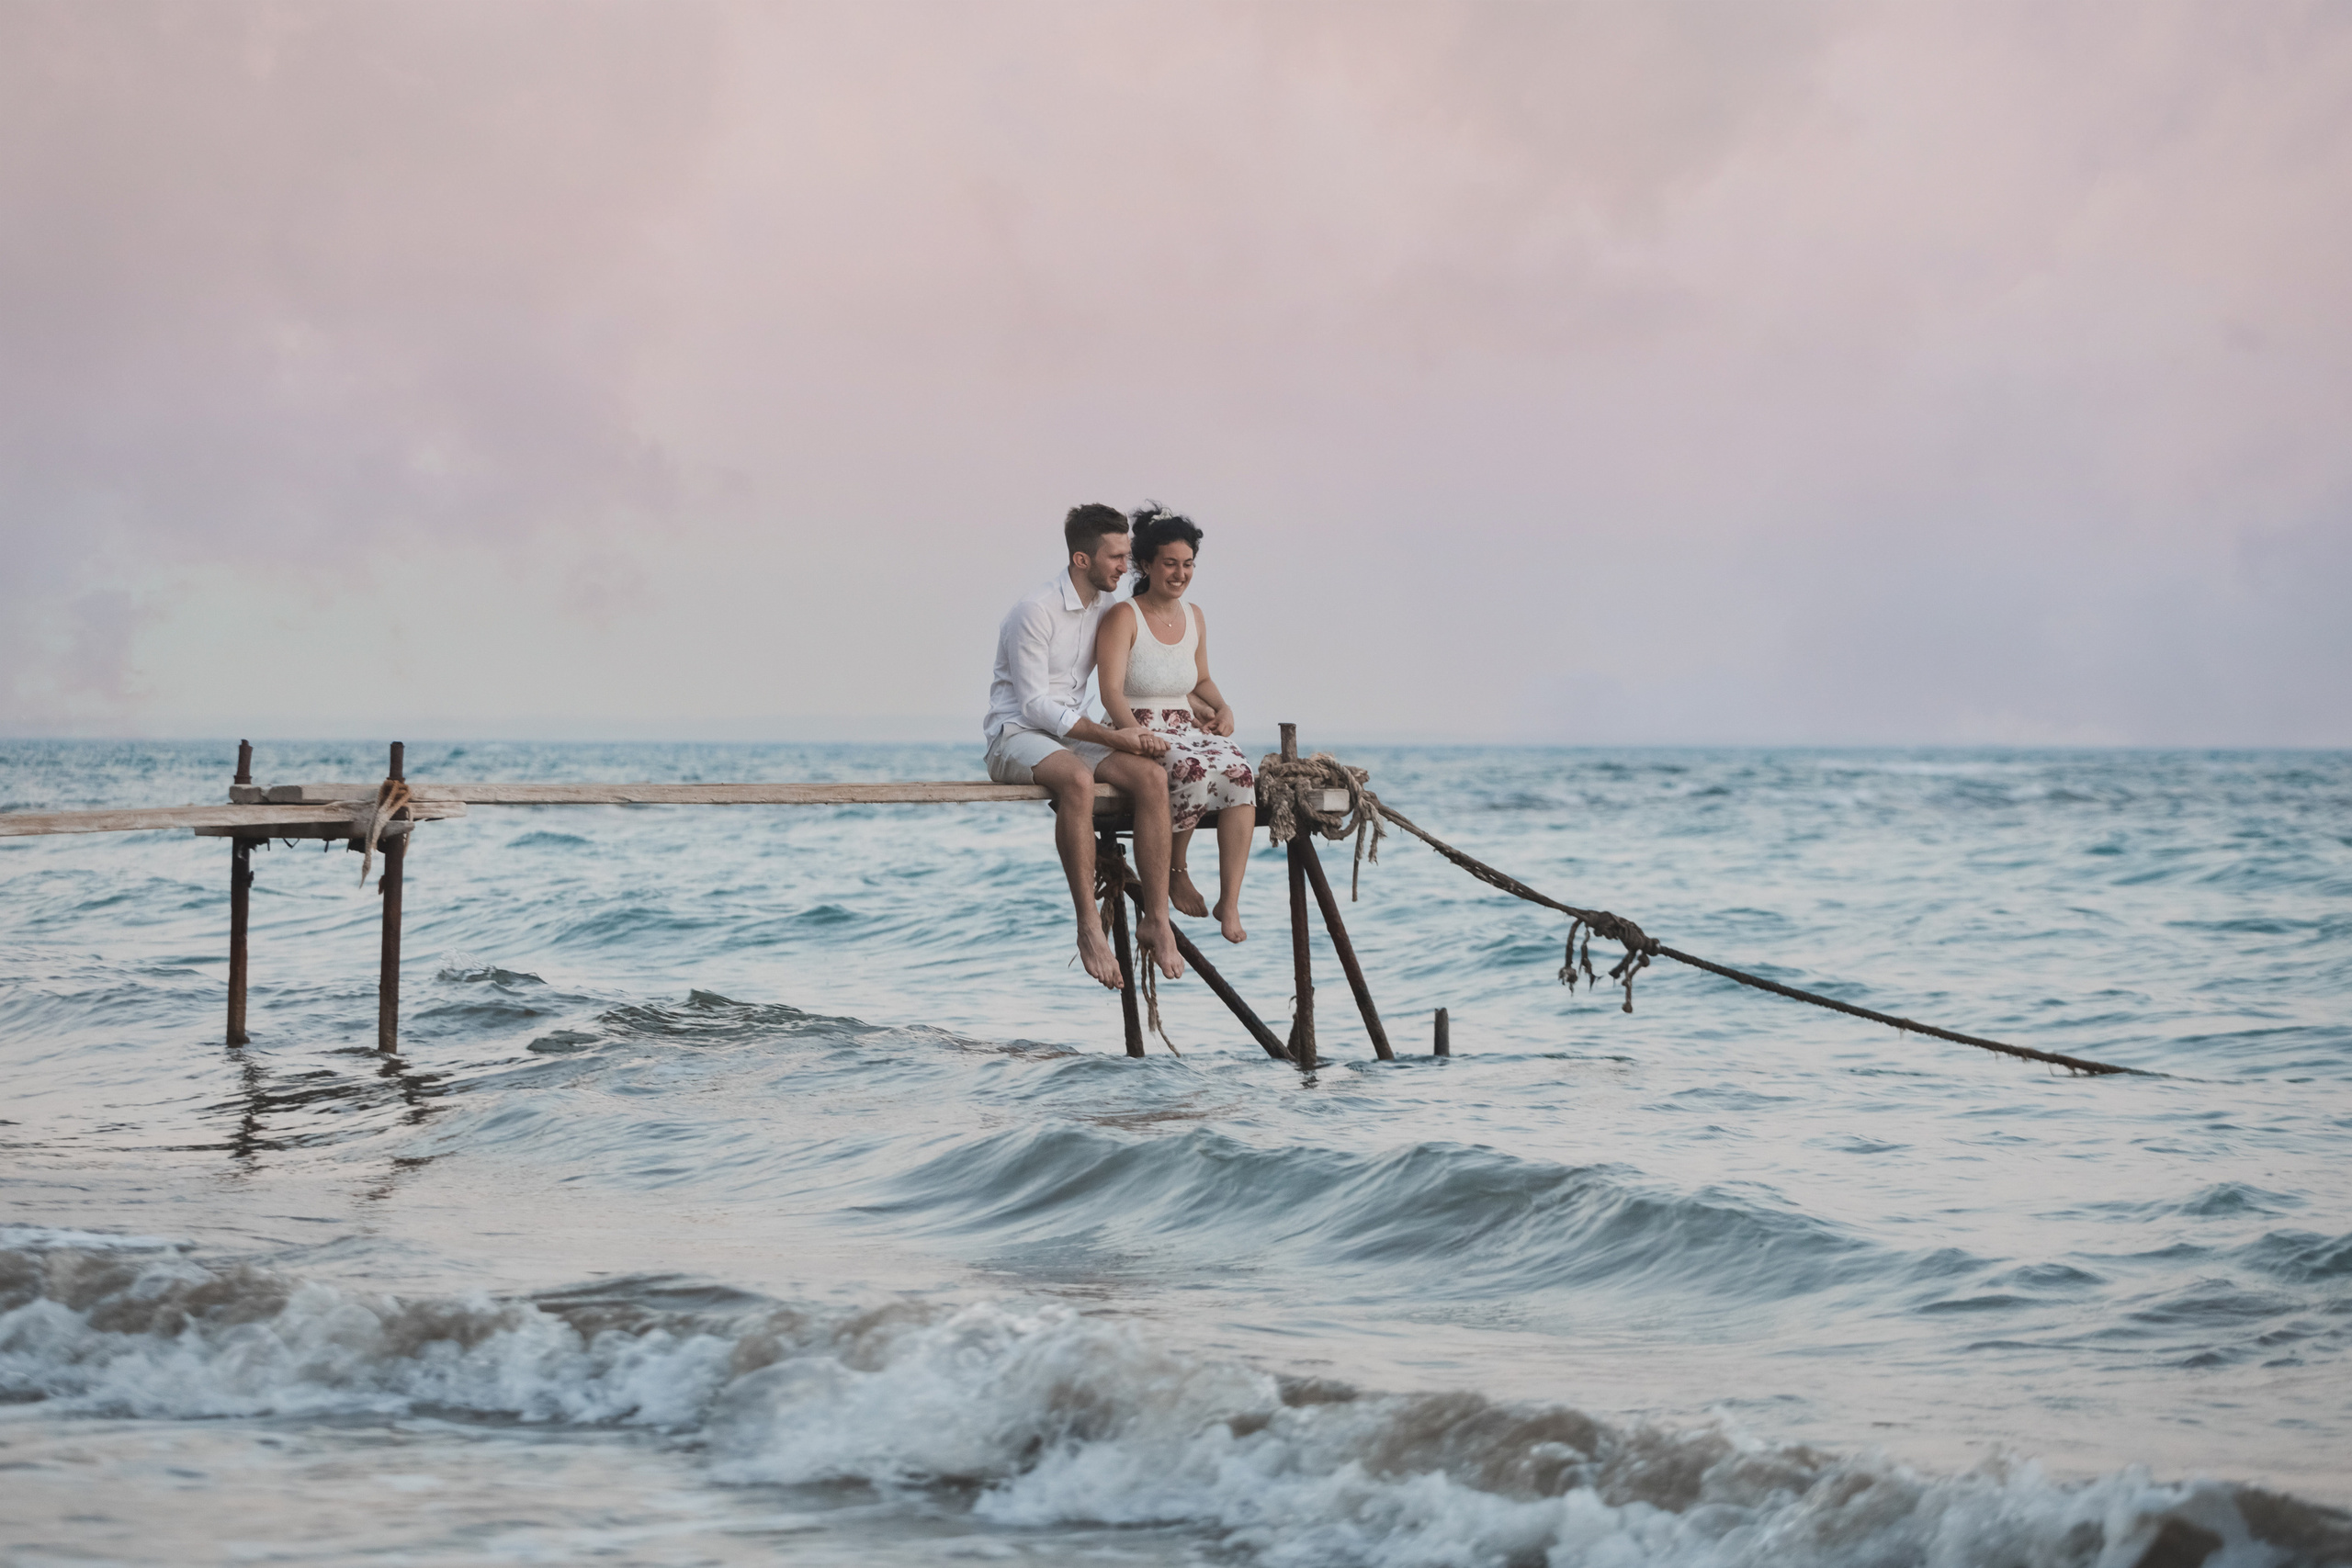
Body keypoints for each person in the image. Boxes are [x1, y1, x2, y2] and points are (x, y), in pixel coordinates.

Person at [985, 504, 1185, 990]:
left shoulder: (1108, 609)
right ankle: (1089, 927)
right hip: (1015, 735)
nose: (1126, 566)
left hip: (1073, 735)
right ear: (1081, 559)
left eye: (1127, 555)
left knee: (1151, 776)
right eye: (1116, 557)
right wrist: (1113, 736)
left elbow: (1146, 664)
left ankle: (1157, 919)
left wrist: (1199, 703)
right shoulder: (1034, 611)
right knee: (1077, 779)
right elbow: (1034, 705)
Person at [1094, 504, 1256, 945]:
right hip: (1136, 722)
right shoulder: (1124, 616)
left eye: (1188, 564)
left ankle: (1230, 901)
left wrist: (1223, 708)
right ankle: (1176, 871)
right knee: (1193, 769)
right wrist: (1133, 735)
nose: (1180, 574)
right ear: (1146, 565)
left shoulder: (1195, 615)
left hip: (1186, 724)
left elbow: (1200, 680)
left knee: (1241, 774)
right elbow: (1110, 692)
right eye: (1170, 563)